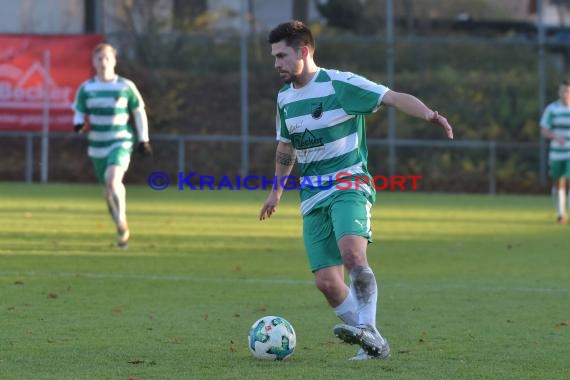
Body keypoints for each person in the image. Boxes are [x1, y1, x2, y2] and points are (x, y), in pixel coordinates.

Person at [259, 21, 453, 361]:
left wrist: (429, 114)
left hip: (349, 182)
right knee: (327, 284)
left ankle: (368, 330)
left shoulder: (340, 84)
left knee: (352, 254)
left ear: (303, 51)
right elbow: (286, 146)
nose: (276, 64)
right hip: (312, 195)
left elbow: (391, 97)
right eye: (274, 57)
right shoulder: (284, 98)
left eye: (281, 56)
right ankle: (373, 343)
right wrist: (276, 191)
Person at [72, 43, 152, 248]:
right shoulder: (87, 88)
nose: (103, 62)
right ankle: (120, 228)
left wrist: (143, 139)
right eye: (99, 59)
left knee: (112, 179)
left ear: (115, 61)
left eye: (107, 58)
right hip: (97, 144)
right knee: (107, 190)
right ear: (94, 62)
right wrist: (79, 123)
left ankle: (122, 218)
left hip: (120, 140)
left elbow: (138, 111)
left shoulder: (125, 86)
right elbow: (79, 110)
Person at [540, 79, 570, 224]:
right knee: (559, 182)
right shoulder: (552, 109)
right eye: (563, 91)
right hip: (557, 152)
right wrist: (555, 136)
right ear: (559, 92)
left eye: (568, 91)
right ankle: (561, 213)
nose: (565, 94)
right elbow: (544, 130)